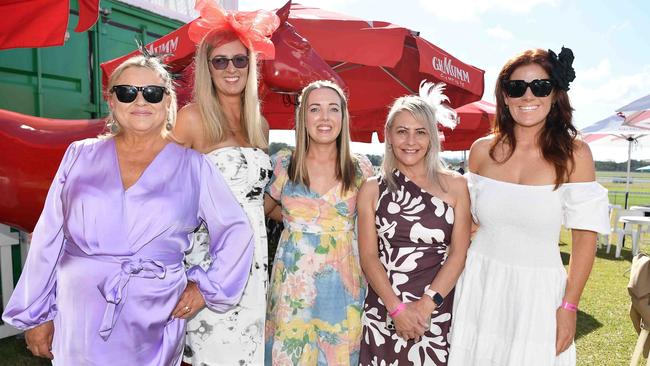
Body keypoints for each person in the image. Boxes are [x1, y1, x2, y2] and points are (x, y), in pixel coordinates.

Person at [1, 54, 254, 365]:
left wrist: (205, 289)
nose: (140, 101)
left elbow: (236, 230)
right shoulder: (79, 155)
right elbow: (48, 236)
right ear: (112, 101)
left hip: (156, 312)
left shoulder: (194, 166)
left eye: (152, 92)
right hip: (79, 311)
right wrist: (36, 312)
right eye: (126, 92)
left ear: (168, 102)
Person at [447, 47, 610, 365]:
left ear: (554, 95)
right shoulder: (481, 151)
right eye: (516, 87)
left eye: (540, 86)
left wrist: (569, 307)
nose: (527, 96)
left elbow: (585, 239)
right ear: (505, 96)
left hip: (539, 294)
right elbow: (464, 215)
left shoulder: (576, 155)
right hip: (480, 286)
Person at [170, 2, 279, 364]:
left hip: (255, 264)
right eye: (220, 61)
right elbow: (163, 200)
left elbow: (253, 202)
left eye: (239, 60)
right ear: (207, 68)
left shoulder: (259, 125)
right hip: (210, 263)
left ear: (252, 65)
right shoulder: (192, 119)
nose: (231, 68)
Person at [357, 82, 471, 365]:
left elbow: (459, 253)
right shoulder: (371, 189)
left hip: (437, 309)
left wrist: (426, 305)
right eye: (402, 131)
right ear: (389, 137)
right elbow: (369, 258)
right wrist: (397, 310)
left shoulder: (456, 186)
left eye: (420, 132)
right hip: (384, 308)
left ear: (432, 137)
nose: (411, 141)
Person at [264, 80, 374, 365]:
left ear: (343, 117)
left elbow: (376, 226)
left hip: (342, 292)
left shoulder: (361, 169)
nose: (324, 118)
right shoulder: (284, 164)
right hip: (292, 291)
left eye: (333, 109)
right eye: (315, 109)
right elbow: (256, 213)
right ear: (303, 118)